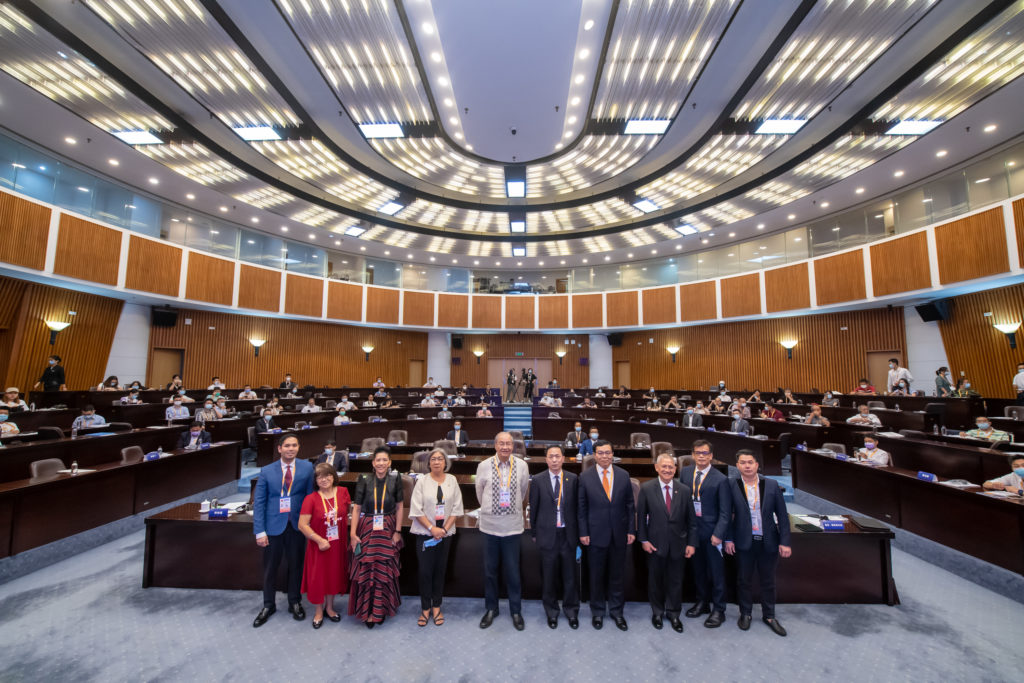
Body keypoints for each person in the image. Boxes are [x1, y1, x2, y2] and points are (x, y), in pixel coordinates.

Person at [725, 449, 792, 637]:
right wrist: (728, 538)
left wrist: (785, 541)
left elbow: (782, 516)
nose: (747, 466)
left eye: (750, 462)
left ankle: (769, 615)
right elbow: (727, 515)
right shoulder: (732, 485)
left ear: (757, 465)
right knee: (743, 580)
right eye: (743, 463)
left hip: (768, 541)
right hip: (743, 541)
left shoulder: (771, 485)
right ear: (737, 466)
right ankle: (745, 613)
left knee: (768, 581)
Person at [252, 434, 315, 627]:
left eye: (294, 445)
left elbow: (309, 498)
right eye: (287, 445)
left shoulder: (306, 467)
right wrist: (259, 531)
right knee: (271, 568)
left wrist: (309, 526)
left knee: (296, 566)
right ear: (279, 449)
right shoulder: (267, 471)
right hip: (273, 526)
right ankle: (268, 604)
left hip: (297, 525)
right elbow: (259, 502)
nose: (291, 449)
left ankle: (294, 601)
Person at [476, 432, 531, 631]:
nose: (505, 447)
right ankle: (492, 608)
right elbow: (479, 493)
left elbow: (523, 491)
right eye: (502, 443)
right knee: (490, 571)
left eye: (509, 443)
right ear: (495, 445)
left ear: (513, 446)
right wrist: (491, 509)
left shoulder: (522, 466)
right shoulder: (483, 466)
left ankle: (515, 610)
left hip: (512, 527)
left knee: (513, 571)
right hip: (490, 526)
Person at [578, 440, 635, 631]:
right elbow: (582, 508)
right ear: (594, 455)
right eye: (601, 453)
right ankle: (598, 612)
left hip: (619, 534)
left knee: (617, 576)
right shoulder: (585, 477)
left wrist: (630, 530)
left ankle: (617, 612)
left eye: (608, 453)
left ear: (612, 454)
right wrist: (583, 532)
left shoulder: (623, 475)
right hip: (595, 535)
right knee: (596, 576)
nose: (605, 456)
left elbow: (629, 505)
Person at [638, 453, 696, 632]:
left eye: (671, 467)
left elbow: (691, 521)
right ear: (656, 468)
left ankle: (673, 613)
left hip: (679, 544)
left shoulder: (684, 490)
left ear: (675, 469)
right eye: (664, 466)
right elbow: (640, 517)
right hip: (655, 544)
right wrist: (644, 540)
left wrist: (691, 543)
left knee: (676, 580)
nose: (667, 470)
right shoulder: (647, 488)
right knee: (655, 580)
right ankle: (657, 612)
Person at [349, 447, 404, 628]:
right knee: (367, 569)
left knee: (383, 570)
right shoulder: (364, 479)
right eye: (377, 460)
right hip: (367, 528)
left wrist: (397, 531)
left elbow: (399, 507)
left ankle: (381, 610)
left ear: (389, 463)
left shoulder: (396, 479)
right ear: (373, 463)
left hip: (388, 528)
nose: (381, 463)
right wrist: (353, 533)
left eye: (384, 460)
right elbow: (357, 508)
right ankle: (367, 610)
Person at [679, 439, 731, 628]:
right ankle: (703, 602)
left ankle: (719, 609)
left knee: (716, 573)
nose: (701, 456)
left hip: (712, 534)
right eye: (698, 453)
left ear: (711, 456)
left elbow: (725, 512)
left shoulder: (721, 479)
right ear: (693, 455)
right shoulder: (685, 472)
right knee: (698, 571)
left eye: (705, 453)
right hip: (692, 532)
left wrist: (718, 534)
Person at [410, 449, 464, 627]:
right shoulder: (422, 481)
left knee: (440, 572)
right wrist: (432, 528)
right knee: (425, 572)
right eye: (433, 459)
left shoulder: (452, 480)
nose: (437, 462)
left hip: (445, 534)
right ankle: (425, 608)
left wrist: (444, 529)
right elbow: (417, 510)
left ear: (445, 462)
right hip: (425, 534)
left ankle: (437, 607)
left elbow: (457, 508)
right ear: (428, 463)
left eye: (440, 459)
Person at [529, 445, 579, 630]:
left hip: (568, 535)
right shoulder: (538, 480)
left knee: (570, 576)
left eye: (558, 456)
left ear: (563, 459)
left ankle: (572, 611)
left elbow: (577, 509)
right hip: (547, 535)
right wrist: (534, 533)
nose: (555, 460)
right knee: (548, 577)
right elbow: (533, 509)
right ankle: (551, 612)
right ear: (546, 460)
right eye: (551, 457)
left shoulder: (573, 479)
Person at [297, 462, 350, 629]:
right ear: (316, 481)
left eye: (327, 475)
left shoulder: (343, 492)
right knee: (318, 578)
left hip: (337, 544)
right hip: (318, 546)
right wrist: (319, 540)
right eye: (320, 477)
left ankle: (330, 608)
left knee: (333, 576)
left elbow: (347, 513)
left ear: (333, 476)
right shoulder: (310, 499)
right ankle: (319, 611)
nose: (324, 479)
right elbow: (302, 525)